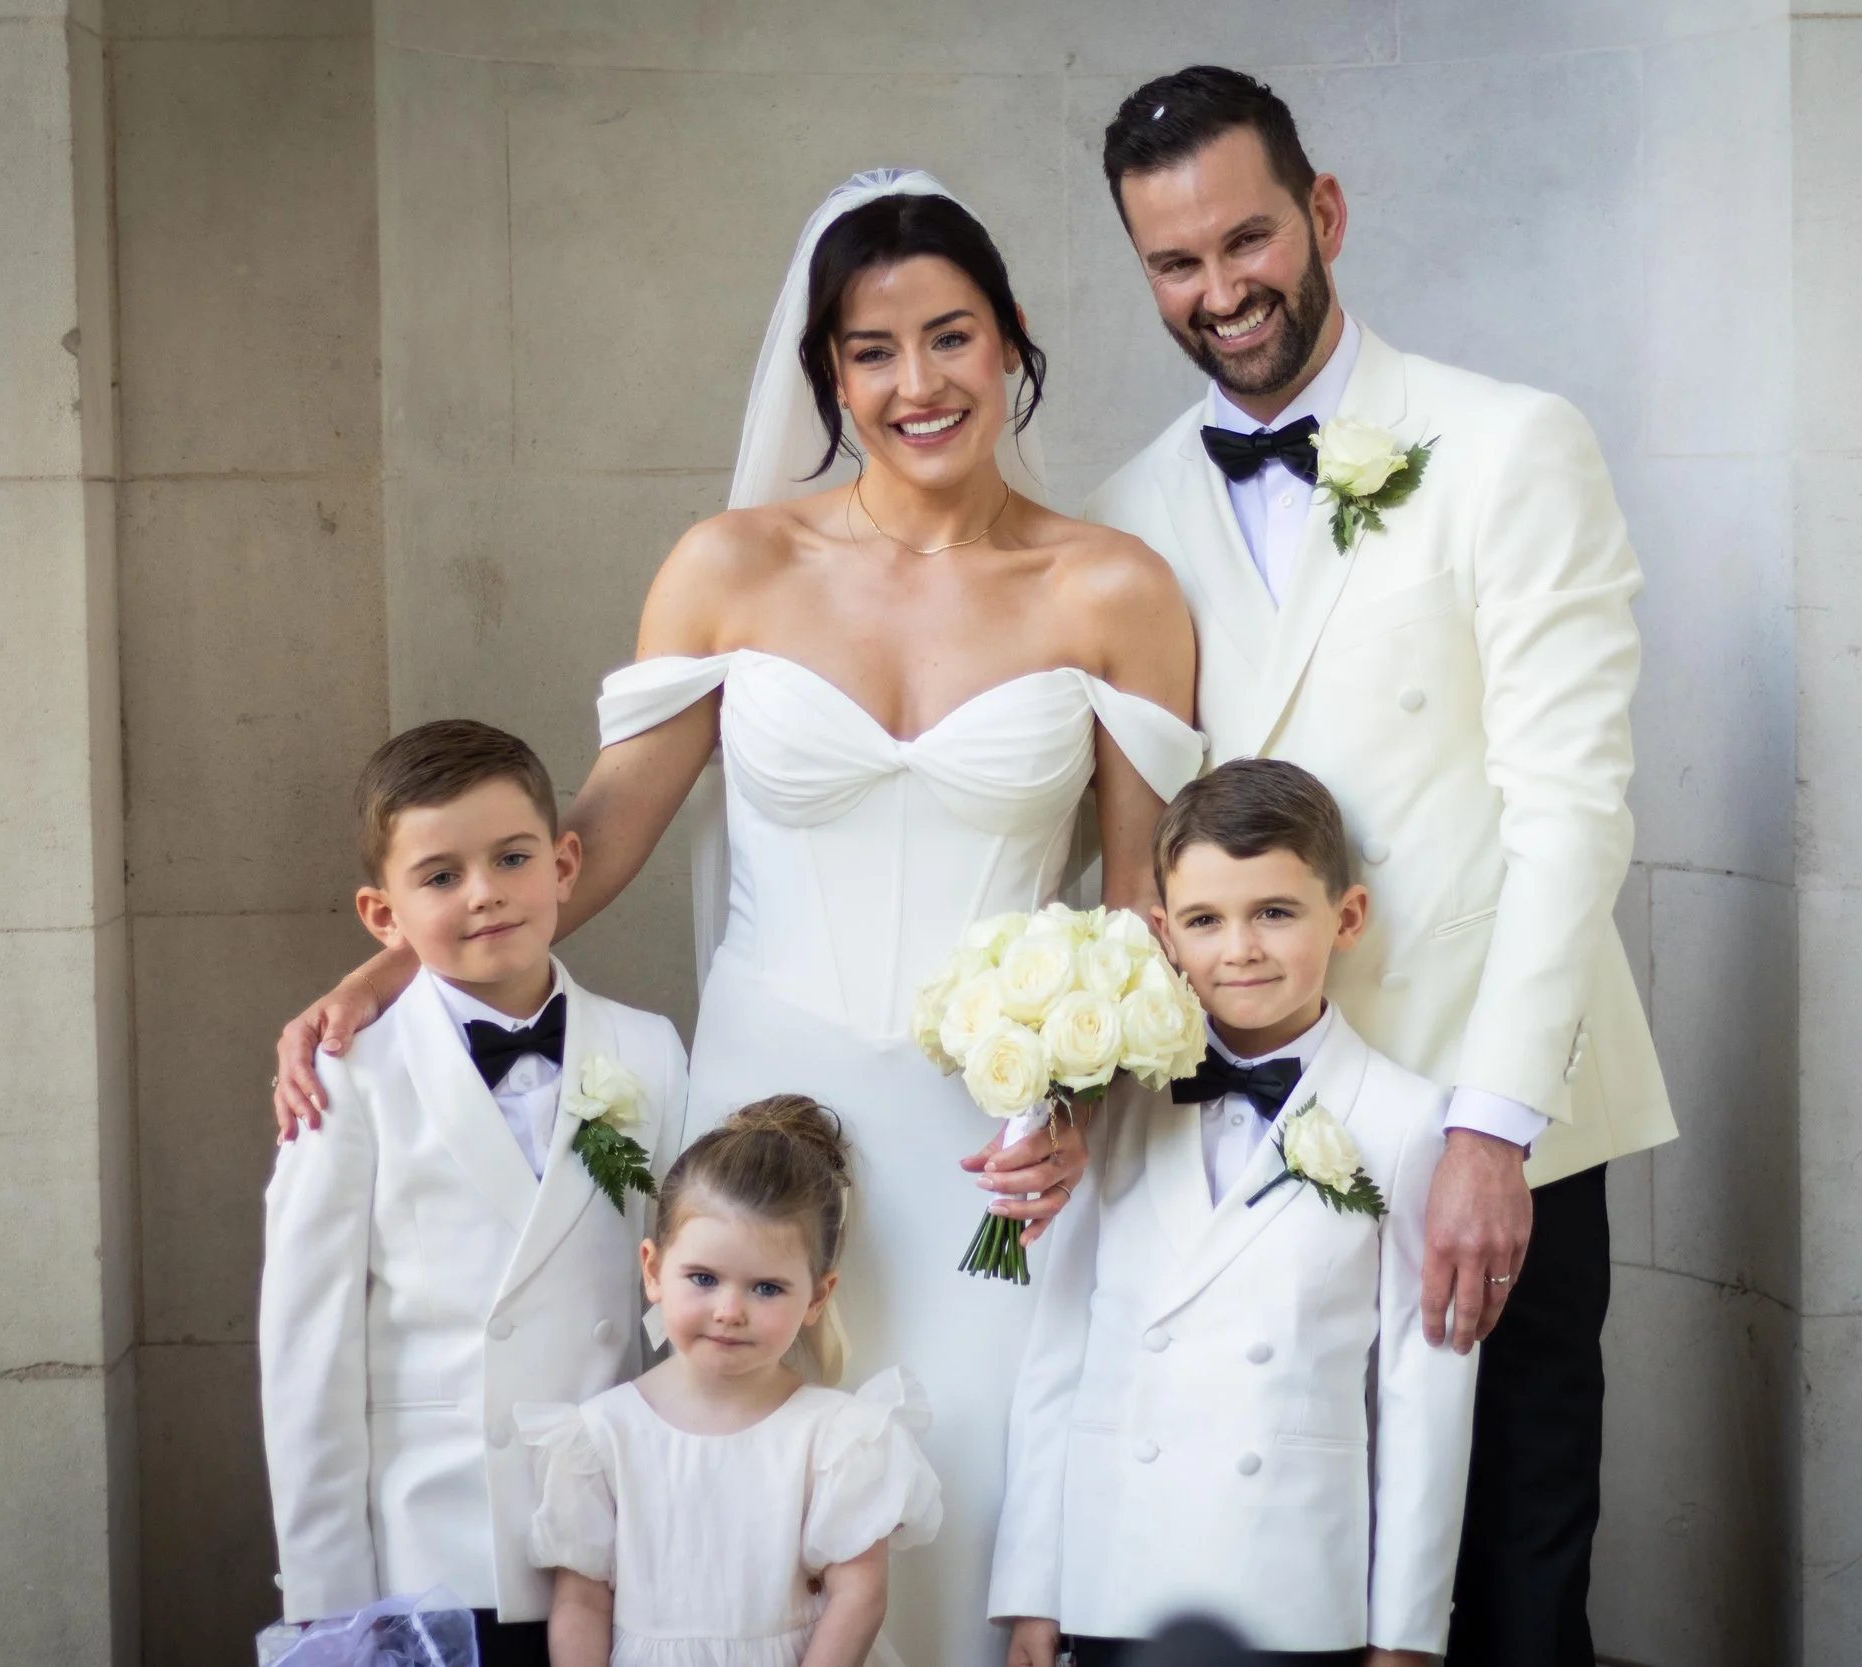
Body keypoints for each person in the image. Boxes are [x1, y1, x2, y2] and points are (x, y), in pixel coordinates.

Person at [270, 172, 1203, 1664]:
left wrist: (1091, 1106)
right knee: (741, 1518)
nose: (916, 383)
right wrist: (384, 972)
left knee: (970, 1501)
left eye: (950, 336)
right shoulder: (730, 567)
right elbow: (588, 838)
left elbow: (1148, 908)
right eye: (871, 350)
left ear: (1010, 336)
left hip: (994, 1145)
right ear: (826, 369)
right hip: (764, 1106)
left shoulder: (1113, 588)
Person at [1089, 68, 1677, 1667]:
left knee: (1513, 1577)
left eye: (1248, 239)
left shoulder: (1509, 444)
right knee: (1292, 1579)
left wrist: (1493, 1123)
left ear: (1325, 213)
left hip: (1500, 1099)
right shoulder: (1124, 518)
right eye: (1175, 262)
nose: (1221, 290)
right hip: (1252, 1134)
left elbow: (1572, 808)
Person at [990, 761, 1477, 1667]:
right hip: (1117, 1568)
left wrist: (1406, 1637)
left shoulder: (1407, 1118)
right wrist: (1032, 1592)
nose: (1241, 948)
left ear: (1348, 917)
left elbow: (1422, 1398)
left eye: (1275, 912)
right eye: (1206, 920)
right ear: (1164, 931)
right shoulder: (1110, 1100)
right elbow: (1058, 1350)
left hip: (1293, 1583)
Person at [259, 719, 690, 1667]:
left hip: (614, 1542)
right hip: (434, 1554)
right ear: (383, 915)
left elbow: (678, 1294)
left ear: (565, 864)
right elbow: (307, 1352)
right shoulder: (349, 1078)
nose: (484, 891)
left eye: (512, 858)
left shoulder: (649, 1049)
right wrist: (328, 1601)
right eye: (441, 875)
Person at [517, 1097, 944, 1667]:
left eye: (766, 1288)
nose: (729, 1311)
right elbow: (581, 1601)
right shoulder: (600, 1436)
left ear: (817, 1297)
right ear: (653, 1271)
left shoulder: (840, 1439)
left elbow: (860, 1597)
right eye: (703, 1278)